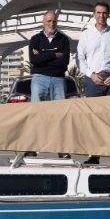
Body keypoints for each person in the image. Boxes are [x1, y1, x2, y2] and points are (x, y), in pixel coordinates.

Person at [77, 1, 110, 165]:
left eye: (104, 13)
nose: (101, 16)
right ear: (94, 14)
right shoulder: (86, 35)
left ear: (108, 15)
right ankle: (94, 155)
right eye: (98, 13)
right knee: (94, 119)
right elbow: (80, 59)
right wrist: (91, 75)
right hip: (93, 81)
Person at [28, 10, 72, 158]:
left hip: (58, 79)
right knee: (35, 113)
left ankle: (62, 149)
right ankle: (32, 147)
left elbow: (64, 61)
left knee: (60, 114)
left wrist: (42, 56)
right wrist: (54, 54)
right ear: (43, 22)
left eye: (54, 21)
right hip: (39, 78)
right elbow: (33, 60)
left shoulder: (64, 40)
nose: (51, 24)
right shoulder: (35, 39)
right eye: (49, 21)